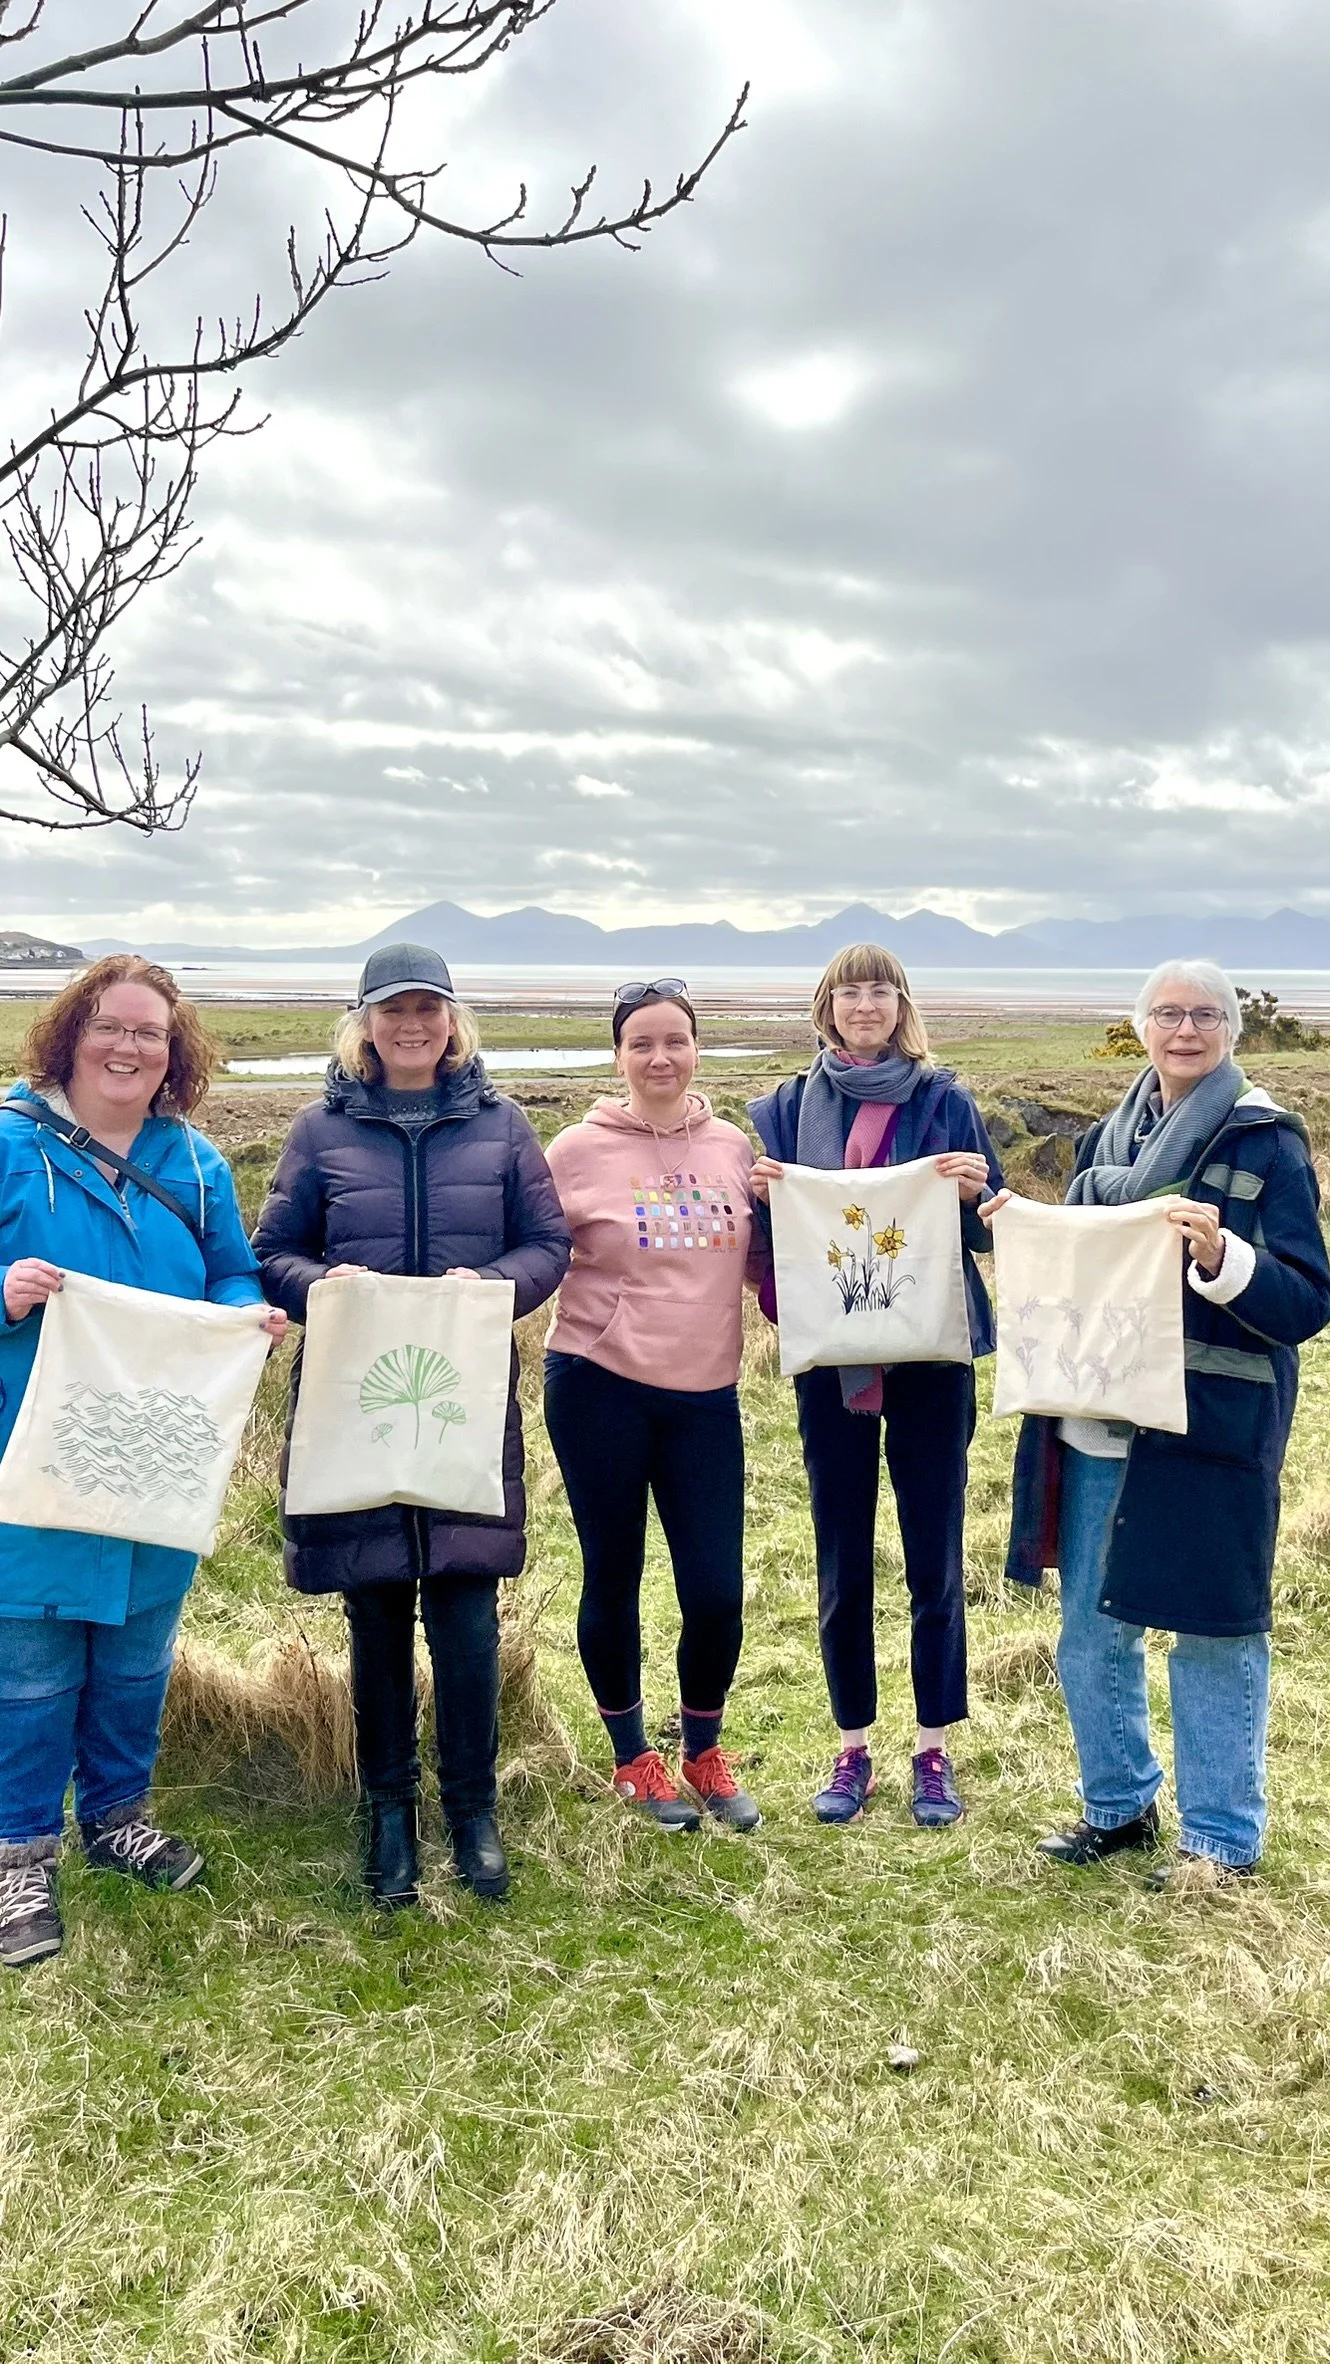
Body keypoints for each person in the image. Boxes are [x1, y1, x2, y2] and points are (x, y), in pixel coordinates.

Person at [998, 960, 1330, 1884]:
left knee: (1216, 1631)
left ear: (1231, 1032)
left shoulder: (1269, 1142)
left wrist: (1224, 1255)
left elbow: (1307, 1302)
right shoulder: (1111, 1139)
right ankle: (1117, 1808)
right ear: (1140, 1028)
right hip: (1097, 1422)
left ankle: (1220, 1842)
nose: (1185, 1029)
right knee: (1090, 1629)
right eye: (1168, 1014)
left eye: (1205, 1015)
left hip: (1207, 1429)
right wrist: (1004, 1224)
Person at [252, 944, 569, 1909]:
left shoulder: (504, 1126)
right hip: (360, 1401)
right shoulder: (319, 1131)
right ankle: (388, 1812)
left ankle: (473, 1813)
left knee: (468, 1620)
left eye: (429, 1008)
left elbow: (547, 1243)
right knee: (378, 1611)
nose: (413, 1025)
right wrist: (325, 1287)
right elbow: (275, 1252)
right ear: (364, 1025)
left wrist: (495, 1288)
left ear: (453, 1020)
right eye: (394, 1011)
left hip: (464, 1399)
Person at [0, 956, 285, 1971]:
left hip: (159, 1450)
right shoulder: (8, 1141)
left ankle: (119, 1818)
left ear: (175, 1052)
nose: (128, 1047)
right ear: (71, 1032)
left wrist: (246, 1311)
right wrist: (6, 1289)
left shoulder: (194, 1161)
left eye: (151, 1033)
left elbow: (230, 1265)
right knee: (30, 1665)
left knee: (133, 1656)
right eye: (110, 1027)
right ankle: (18, 1859)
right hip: (32, 1449)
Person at [748, 943, 1002, 1830]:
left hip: (933, 1359)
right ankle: (852, 1742)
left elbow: (987, 1235)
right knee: (841, 1553)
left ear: (901, 1004)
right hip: (834, 1367)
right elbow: (767, 1237)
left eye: (880, 990)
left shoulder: (946, 1101)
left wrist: (979, 1188)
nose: (865, 1004)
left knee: (933, 1552)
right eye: (849, 991)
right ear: (827, 1005)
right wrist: (761, 1202)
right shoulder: (783, 1108)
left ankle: (933, 1748)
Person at [543, 980, 769, 1832]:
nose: (660, 1057)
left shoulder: (733, 1150)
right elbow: (531, 1251)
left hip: (705, 1393)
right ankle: (633, 1756)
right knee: (616, 1574)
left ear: (696, 1049)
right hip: (598, 1384)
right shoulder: (575, 1150)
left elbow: (763, 1267)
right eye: (642, 1043)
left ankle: (704, 1751)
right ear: (619, 1056)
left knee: (715, 1590)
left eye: (675, 1040)